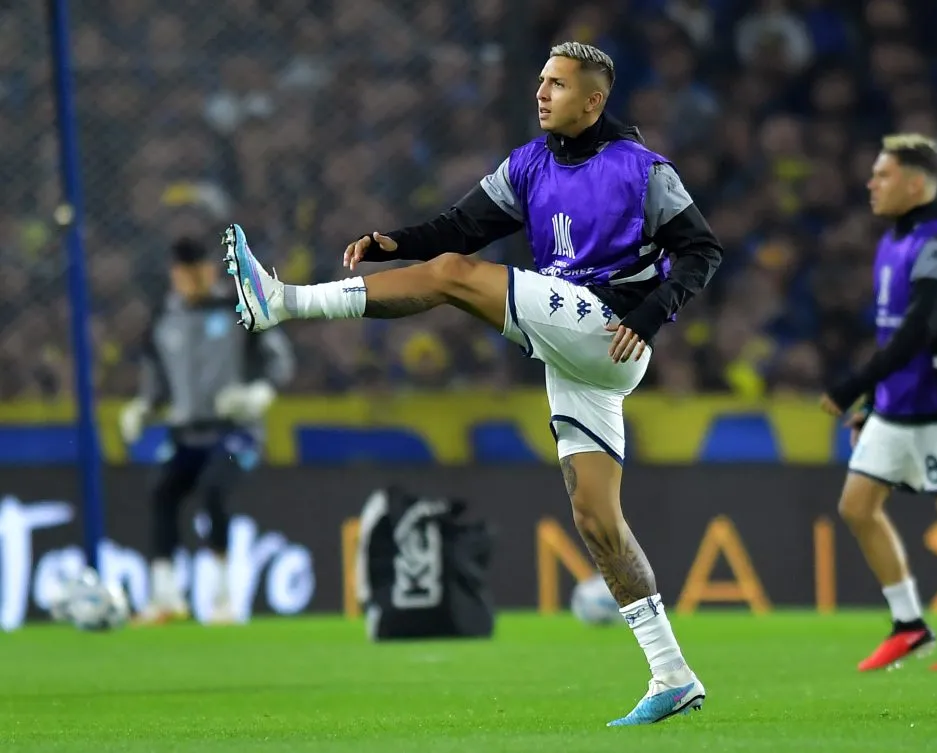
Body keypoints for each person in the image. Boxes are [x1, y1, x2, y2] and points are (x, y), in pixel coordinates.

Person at [223, 41, 723, 725]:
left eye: (557, 84)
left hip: (610, 328)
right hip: (572, 350)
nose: (542, 93)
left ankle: (284, 302)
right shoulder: (529, 164)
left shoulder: (642, 170)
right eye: (541, 80)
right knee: (596, 520)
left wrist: (652, 309)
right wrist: (393, 242)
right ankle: (671, 672)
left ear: (594, 100)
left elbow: (702, 249)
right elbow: (460, 224)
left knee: (457, 275)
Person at [821, 134, 937, 671]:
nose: (872, 184)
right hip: (898, 401)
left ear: (916, 183)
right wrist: (874, 400)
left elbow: (922, 328)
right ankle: (910, 624)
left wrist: (857, 383)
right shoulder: (896, 242)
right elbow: (895, 334)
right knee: (856, 506)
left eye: (883, 175)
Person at [119, 237, 295, 625]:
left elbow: (279, 361)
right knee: (162, 493)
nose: (191, 279)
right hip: (185, 431)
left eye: (197, 270)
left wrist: (258, 393)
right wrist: (142, 408)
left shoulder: (242, 308)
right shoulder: (163, 320)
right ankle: (166, 597)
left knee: (214, 491)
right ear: (174, 275)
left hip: (235, 430)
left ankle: (223, 598)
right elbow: (157, 383)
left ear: (210, 271)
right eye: (183, 272)